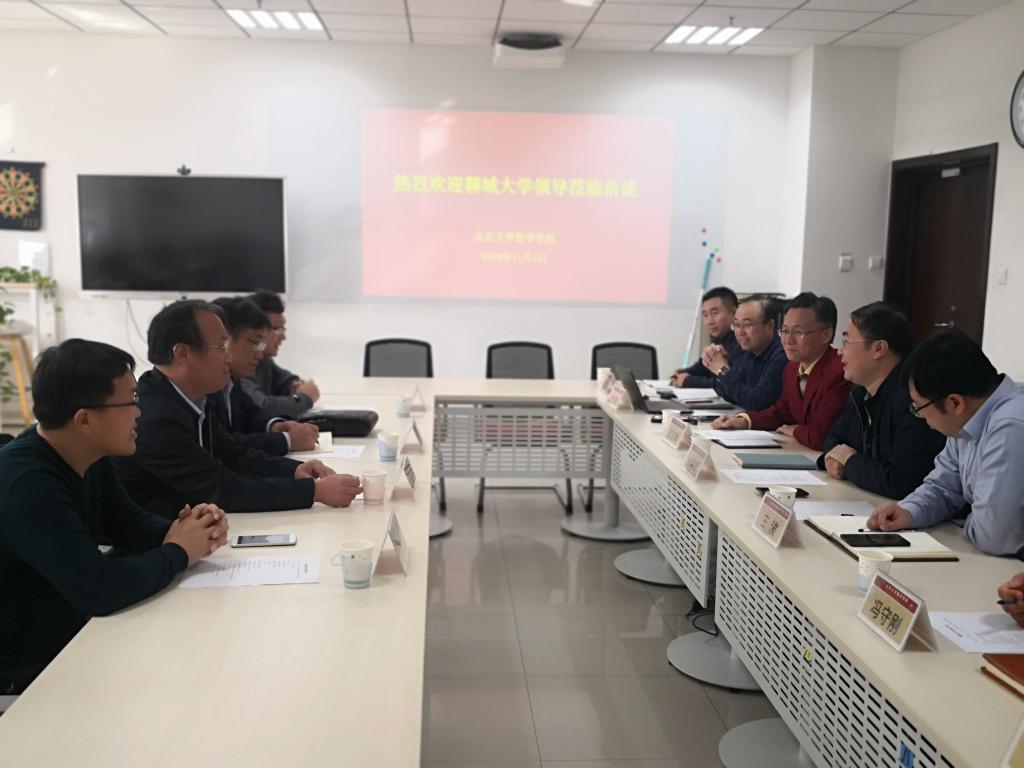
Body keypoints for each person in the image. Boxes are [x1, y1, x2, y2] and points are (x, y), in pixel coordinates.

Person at [0, 339, 228, 695]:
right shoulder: (27, 483)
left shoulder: (82, 450)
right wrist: (180, 550)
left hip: (76, 642)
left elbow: (129, 525)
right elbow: (99, 589)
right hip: (30, 673)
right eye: (131, 401)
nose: (139, 412)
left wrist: (189, 529)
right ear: (85, 419)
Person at [113, 300, 360, 519]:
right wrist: (314, 491)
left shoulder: (191, 396)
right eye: (221, 348)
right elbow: (222, 490)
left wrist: (295, 470)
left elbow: (233, 456)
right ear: (182, 353)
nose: (229, 358)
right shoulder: (155, 416)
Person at [867, 329, 1024, 557]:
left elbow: (994, 537)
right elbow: (943, 488)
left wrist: (961, 521)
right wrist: (908, 512)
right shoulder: (966, 420)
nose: (920, 416)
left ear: (955, 403)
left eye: (919, 407)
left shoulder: (1011, 427)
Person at [817, 302, 945, 498]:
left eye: (846, 342)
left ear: (879, 348)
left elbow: (902, 481)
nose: (839, 351)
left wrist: (850, 463)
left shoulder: (913, 398)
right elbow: (834, 438)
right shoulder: (860, 390)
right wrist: (835, 458)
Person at [712, 292, 849, 450]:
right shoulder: (792, 368)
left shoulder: (840, 371)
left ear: (826, 335)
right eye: (785, 331)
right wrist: (743, 421)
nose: (788, 340)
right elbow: (781, 412)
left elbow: (821, 436)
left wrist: (795, 431)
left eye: (798, 332)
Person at [210, 297, 318, 455]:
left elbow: (251, 414)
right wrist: (286, 440)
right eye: (255, 343)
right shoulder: (206, 385)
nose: (259, 354)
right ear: (226, 340)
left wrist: (275, 425)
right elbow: (221, 445)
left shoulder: (232, 379)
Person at [242, 290, 320, 418]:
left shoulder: (263, 360)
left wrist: (296, 387)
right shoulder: (237, 365)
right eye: (277, 329)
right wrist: (304, 398)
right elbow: (263, 407)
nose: (283, 337)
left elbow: (283, 380)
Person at [706, 294, 787, 412]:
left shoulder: (782, 357)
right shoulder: (750, 352)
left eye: (747, 325)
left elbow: (756, 402)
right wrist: (721, 363)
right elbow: (729, 392)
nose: (740, 332)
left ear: (770, 326)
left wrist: (722, 369)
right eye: (737, 325)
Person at [669, 287, 741, 388]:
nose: (709, 321)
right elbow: (703, 367)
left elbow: (728, 382)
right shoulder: (717, 340)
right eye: (705, 315)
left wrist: (688, 381)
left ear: (734, 313)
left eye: (715, 313)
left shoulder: (743, 344)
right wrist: (683, 373)